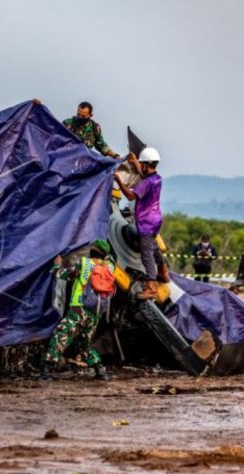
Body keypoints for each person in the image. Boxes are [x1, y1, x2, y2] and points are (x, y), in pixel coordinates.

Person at [45, 239, 116, 381]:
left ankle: (46, 369)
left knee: (61, 334)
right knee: (84, 343)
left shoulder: (85, 264)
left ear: (93, 250)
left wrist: (57, 266)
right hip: (96, 312)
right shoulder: (109, 267)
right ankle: (100, 370)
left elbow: (64, 275)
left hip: (79, 308)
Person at [113, 148, 169, 299]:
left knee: (146, 254)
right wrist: (137, 163)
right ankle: (164, 271)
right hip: (156, 219)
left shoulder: (145, 183)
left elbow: (131, 196)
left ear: (145, 164)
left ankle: (151, 286)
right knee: (153, 246)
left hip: (146, 222)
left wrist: (118, 180)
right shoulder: (157, 179)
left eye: (141, 164)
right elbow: (145, 175)